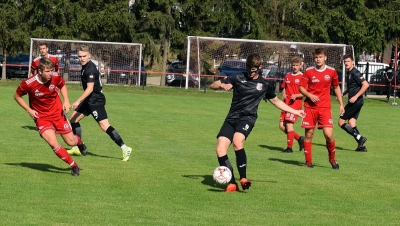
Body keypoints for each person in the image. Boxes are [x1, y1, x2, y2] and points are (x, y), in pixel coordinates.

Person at [210, 53, 305, 192]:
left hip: (247, 118)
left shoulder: (265, 84)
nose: (250, 72)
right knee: (220, 149)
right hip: (232, 118)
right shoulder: (237, 77)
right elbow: (214, 84)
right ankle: (232, 183)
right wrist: (221, 85)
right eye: (248, 68)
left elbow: (276, 101)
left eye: (253, 69)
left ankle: (243, 178)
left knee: (237, 142)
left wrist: (295, 112)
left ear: (259, 67)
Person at [13, 57, 86, 176]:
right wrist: (29, 110)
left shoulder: (56, 77)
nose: (51, 73)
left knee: (71, 142)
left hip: (58, 114)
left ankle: (80, 142)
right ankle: (74, 165)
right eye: (48, 71)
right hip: (41, 118)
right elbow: (16, 96)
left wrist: (66, 100)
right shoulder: (28, 83)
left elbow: (62, 85)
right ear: (40, 71)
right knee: (53, 143)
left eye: (51, 70)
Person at [68, 45, 132, 161]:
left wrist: (78, 101)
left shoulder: (90, 69)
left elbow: (90, 89)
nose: (82, 58)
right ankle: (78, 147)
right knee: (73, 119)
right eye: (80, 56)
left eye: (84, 56)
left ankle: (125, 148)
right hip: (89, 100)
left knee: (104, 126)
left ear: (89, 56)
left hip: (96, 101)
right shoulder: (85, 66)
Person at [299, 48, 344, 169]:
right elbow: (301, 88)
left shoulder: (332, 72)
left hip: (324, 107)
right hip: (310, 107)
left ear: (325, 57)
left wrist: (341, 104)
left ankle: (332, 159)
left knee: (328, 135)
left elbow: (336, 88)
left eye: (320, 57)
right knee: (309, 134)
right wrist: (309, 95)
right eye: (316, 57)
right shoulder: (308, 71)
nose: (318, 59)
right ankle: (308, 162)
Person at [338, 53, 369, 152]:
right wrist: (344, 93)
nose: (346, 63)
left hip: (356, 102)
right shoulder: (349, 72)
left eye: (348, 61)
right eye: (345, 62)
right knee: (351, 122)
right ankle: (361, 146)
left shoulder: (355, 72)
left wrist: (355, 96)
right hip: (357, 102)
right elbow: (352, 86)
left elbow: (366, 85)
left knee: (341, 122)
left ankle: (360, 138)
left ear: (353, 62)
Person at [279, 57, 305, 153]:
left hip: (295, 106)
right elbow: (284, 87)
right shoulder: (288, 75)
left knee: (289, 125)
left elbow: (306, 93)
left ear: (300, 66)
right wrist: (284, 94)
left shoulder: (302, 77)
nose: (295, 67)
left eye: (297, 65)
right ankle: (299, 139)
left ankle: (289, 148)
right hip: (285, 105)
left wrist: (297, 95)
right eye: (293, 65)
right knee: (282, 126)